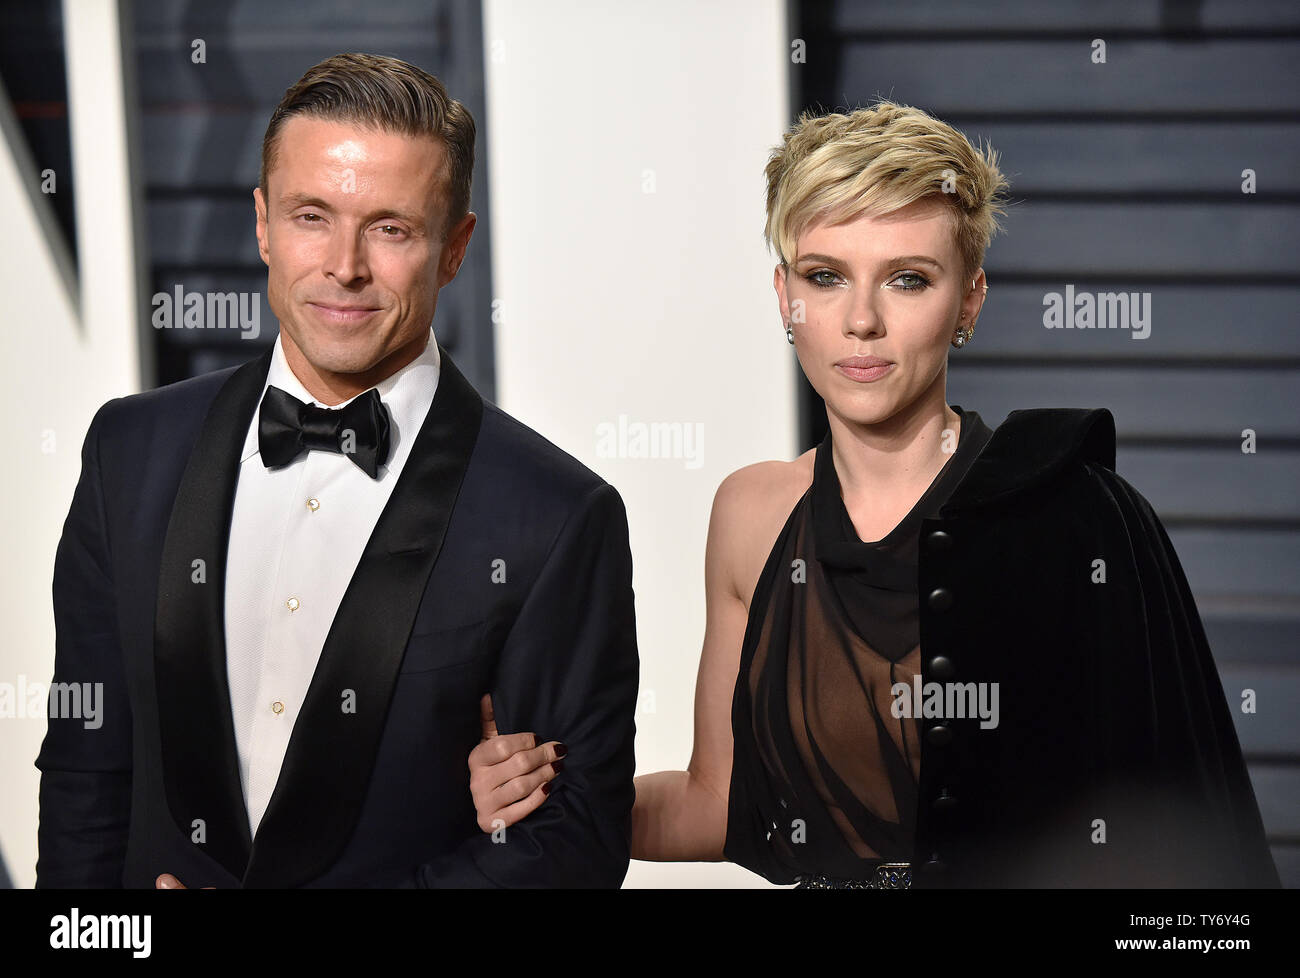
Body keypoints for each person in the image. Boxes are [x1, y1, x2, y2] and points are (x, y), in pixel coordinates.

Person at [466, 101, 1280, 888]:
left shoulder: (1076, 509)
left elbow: (1179, 832)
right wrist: (542, 791)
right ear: (785, 297)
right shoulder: (752, 515)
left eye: (908, 280)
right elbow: (717, 804)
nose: (861, 320)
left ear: (969, 300)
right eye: (826, 277)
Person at [35, 53, 639, 889]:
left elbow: (572, 848)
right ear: (262, 224)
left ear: (455, 247)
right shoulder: (129, 451)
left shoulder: (554, 515)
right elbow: (84, 771)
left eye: (390, 228)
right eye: (311, 216)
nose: (344, 265)